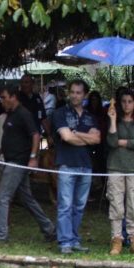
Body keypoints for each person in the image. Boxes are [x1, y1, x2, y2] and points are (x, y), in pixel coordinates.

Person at [0, 85, 56, 244]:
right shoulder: (10, 114)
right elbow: (10, 137)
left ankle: (0, 235)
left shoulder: (23, 114)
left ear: (13, 97)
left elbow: (35, 135)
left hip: (18, 162)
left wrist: (32, 158)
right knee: (27, 199)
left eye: (3, 98)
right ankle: (49, 229)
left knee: (1, 196)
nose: (1, 101)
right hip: (10, 159)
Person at [52, 80, 100, 255]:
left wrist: (77, 133)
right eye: (72, 92)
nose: (74, 95)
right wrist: (85, 137)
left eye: (78, 92)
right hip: (66, 164)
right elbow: (66, 138)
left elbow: (97, 140)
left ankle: (74, 239)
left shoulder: (90, 117)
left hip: (86, 165)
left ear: (85, 95)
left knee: (79, 205)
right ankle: (65, 242)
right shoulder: (60, 113)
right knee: (65, 205)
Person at [106, 90, 134, 255]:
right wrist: (113, 120)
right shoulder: (115, 119)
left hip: (132, 168)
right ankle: (116, 239)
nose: (126, 105)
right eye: (123, 101)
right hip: (115, 166)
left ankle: (132, 237)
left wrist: (123, 142)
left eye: (130, 101)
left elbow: (118, 142)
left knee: (133, 204)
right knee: (116, 204)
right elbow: (111, 141)